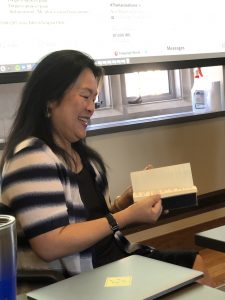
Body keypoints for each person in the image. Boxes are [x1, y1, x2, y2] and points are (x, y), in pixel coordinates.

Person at [0, 49, 213, 286]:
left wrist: (126, 204)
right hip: (79, 280)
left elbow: (90, 220)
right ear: (51, 98)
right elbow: (50, 244)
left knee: (196, 265)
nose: (91, 108)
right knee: (193, 275)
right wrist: (124, 216)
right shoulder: (31, 156)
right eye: (85, 96)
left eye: (95, 99)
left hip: (113, 260)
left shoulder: (82, 155)